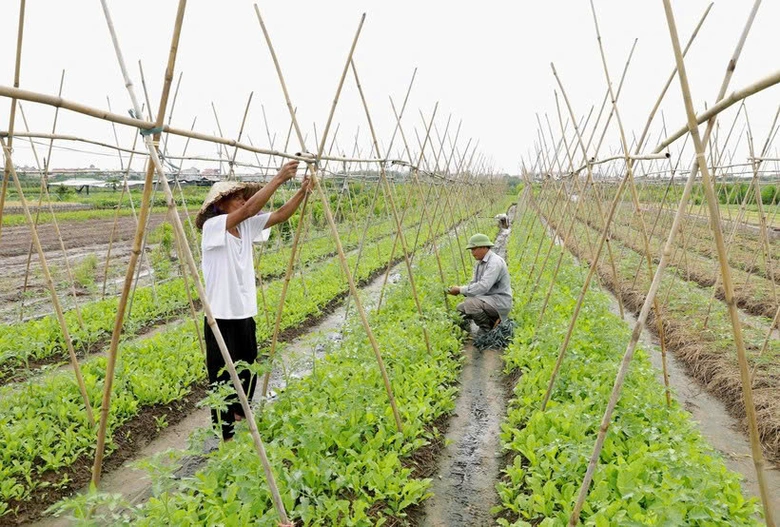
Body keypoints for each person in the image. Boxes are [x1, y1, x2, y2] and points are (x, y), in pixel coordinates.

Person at [195, 160, 310, 440]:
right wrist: (280, 178)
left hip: (244, 311)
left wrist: (303, 192)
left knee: (247, 366)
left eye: (242, 197)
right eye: (235, 198)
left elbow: (281, 215)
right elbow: (250, 209)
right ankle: (225, 433)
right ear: (219, 205)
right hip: (219, 315)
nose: (241, 201)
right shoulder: (214, 227)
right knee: (222, 375)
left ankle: (238, 414)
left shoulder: (245, 227)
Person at [447, 233, 512, 333]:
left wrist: (460, 290)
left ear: (483, 247)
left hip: (499, 302)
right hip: (487, 300)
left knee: (470, 303)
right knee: (460, 309)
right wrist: (462, 291)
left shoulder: (495, 262)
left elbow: (483, 286)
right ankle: (464, 331)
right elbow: (474, 284)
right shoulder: (479, 264)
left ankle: (486, 330)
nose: (472, 253)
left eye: (474, 249)